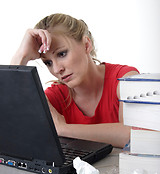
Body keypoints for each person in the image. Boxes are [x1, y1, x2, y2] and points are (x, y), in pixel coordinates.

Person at [11, 13, 139, 148]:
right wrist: (20, 57)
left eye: (61, 54)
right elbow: (15, 126)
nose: (56, 69)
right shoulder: (57, 95)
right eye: (48, 62)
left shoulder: (125, 79)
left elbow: (134, 135)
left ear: (86, 45)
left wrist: (63, 129)